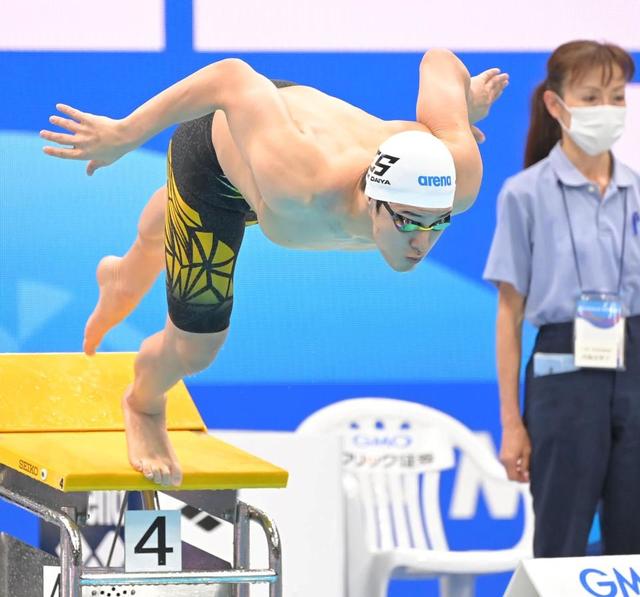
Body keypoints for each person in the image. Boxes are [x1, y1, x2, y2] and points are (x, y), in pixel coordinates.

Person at [41, 49, 508, 486]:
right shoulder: (301, 183)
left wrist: (462, 109)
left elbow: (439, 61)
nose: (422, 242)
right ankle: (143, 403)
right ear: (372, 200)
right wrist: (125, 134)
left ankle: (123, 275)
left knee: (217, 217)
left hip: (275, 155)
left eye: (438, 223)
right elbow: (231, 78)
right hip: (221, 160)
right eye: (408, 222)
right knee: (195, 349)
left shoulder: (458, 176)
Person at [484, 40, 639, 557]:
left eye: (617, 97)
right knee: (561, 543)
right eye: (591, 97)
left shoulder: (637, 191)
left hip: (634, 361)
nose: (608, 110)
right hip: (562, 370)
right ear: (557, 105)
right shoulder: (524, 194)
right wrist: (512, 424)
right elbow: (509, 316)